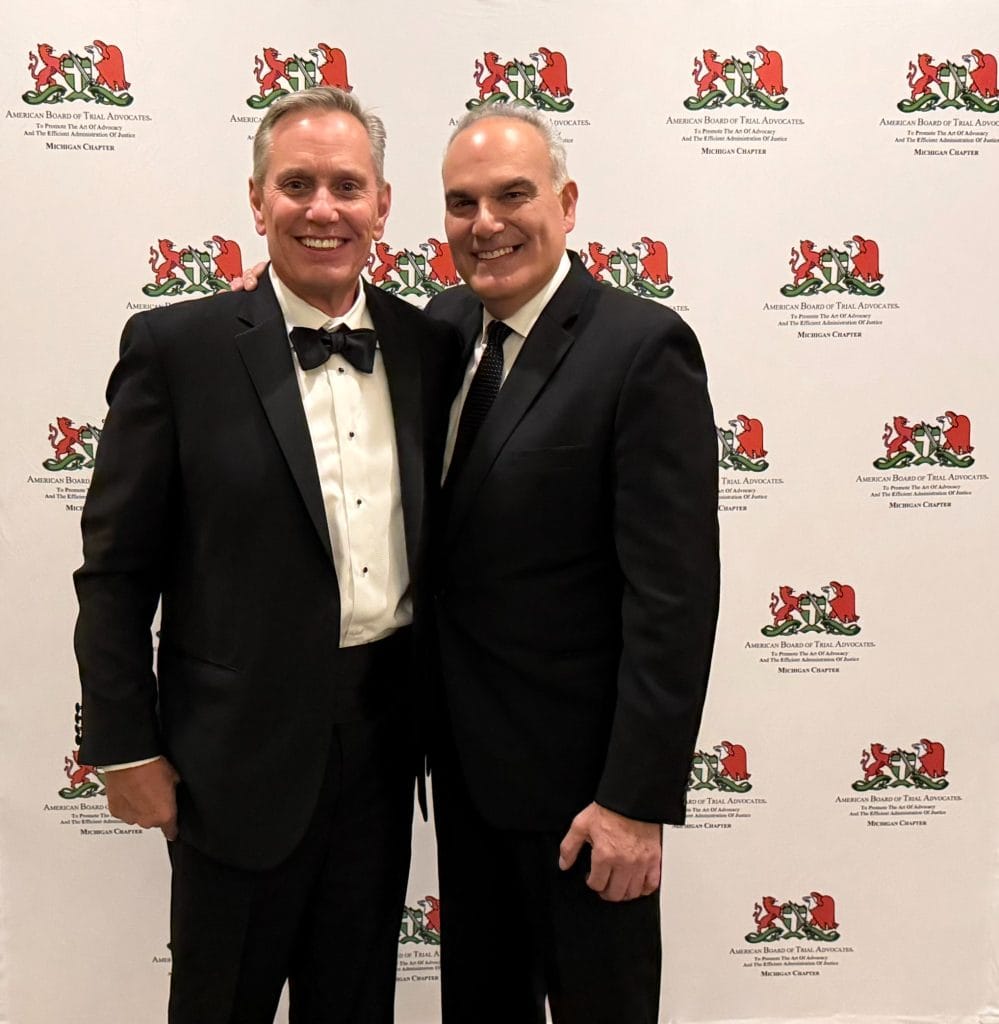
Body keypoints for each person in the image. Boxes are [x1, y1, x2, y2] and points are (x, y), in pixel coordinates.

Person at [73, 86, 459, 1024]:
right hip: (229, 759)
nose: (323, 209)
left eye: (346, 186)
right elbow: (115, 573)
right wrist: (124, 746)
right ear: (257, 201)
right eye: (296, 185)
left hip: (384, 743)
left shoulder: (430, 346)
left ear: (382, 205)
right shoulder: (176, 348)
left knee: (356, 1002)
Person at [425, 107, 720, 1024]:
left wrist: (633, 802)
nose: (486, 223)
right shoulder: (440, 329)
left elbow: (672, 598)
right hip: (462, 781)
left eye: (513, 195)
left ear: (567, 201)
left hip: (585, 806)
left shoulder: (641, 348)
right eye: (462, 203)